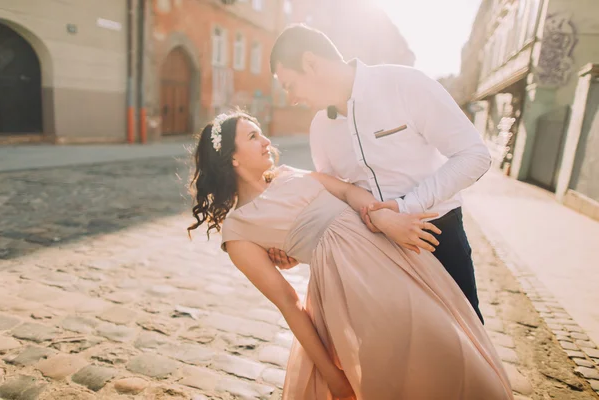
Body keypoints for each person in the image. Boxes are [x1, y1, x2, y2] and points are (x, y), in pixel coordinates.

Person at [188, 111, 512, 400]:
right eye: (253, 135)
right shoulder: (239, 230)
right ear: (232, 157)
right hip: (352, 294)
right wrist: (334, 378)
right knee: (396, 372)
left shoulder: (289, 173)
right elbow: (289, 303)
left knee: (449, 349)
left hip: (397, 260)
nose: (266, 140)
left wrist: (387, 218)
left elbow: (345, 191)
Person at [268, 24, 491, 323]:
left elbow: (474, 155)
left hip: (436, 237)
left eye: (290, 85)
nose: (291, 99)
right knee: (395, 353)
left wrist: (404, 208)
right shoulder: (320, 128)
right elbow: (334, 197)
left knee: (466, 347)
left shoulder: (406, 85)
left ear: (310, 63)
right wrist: (299, 246)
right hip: (369, 251)